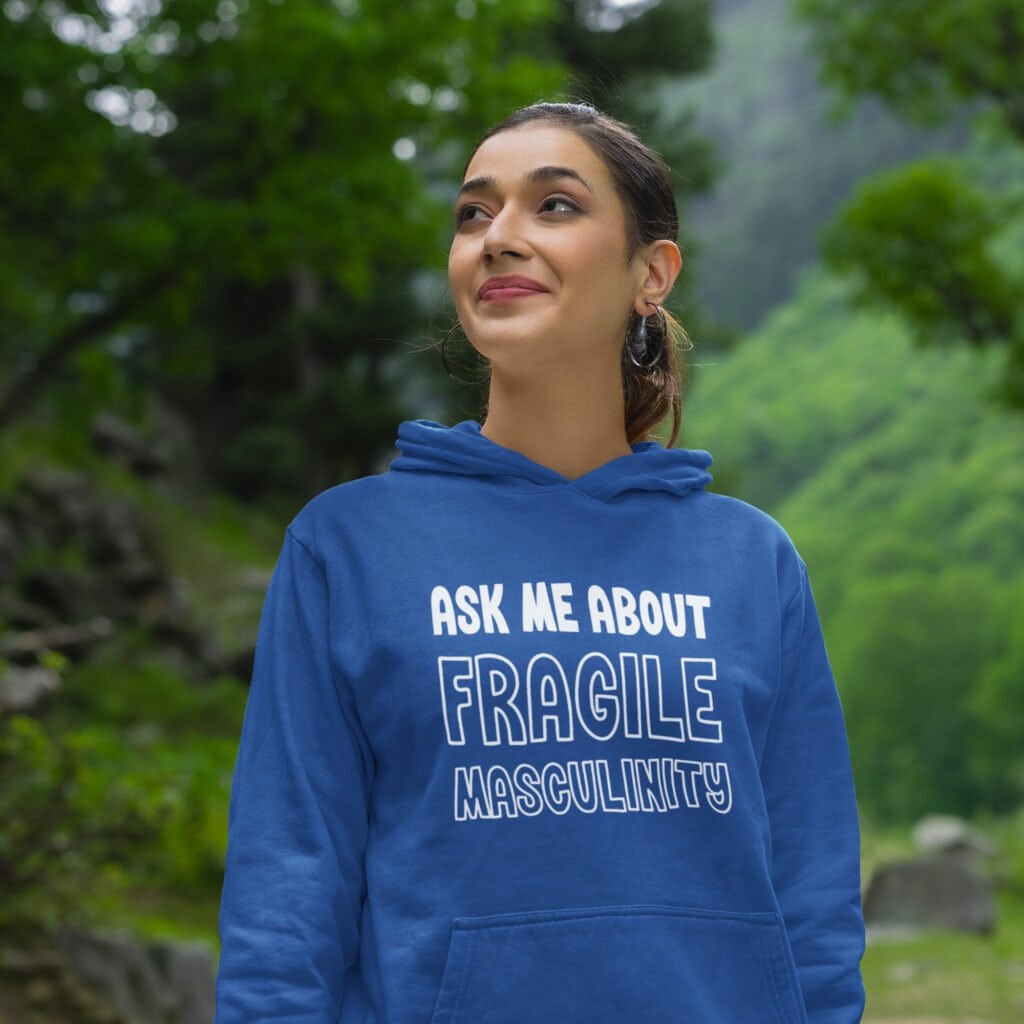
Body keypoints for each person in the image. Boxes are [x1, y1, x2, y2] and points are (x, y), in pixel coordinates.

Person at [214, 101, 865, 1023]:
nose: (498, 238)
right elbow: (287, 894)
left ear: (653, 273)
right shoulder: (348, 545)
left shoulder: (751, 560)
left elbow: (815, 897)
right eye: (474, 214)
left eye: (553, 206)